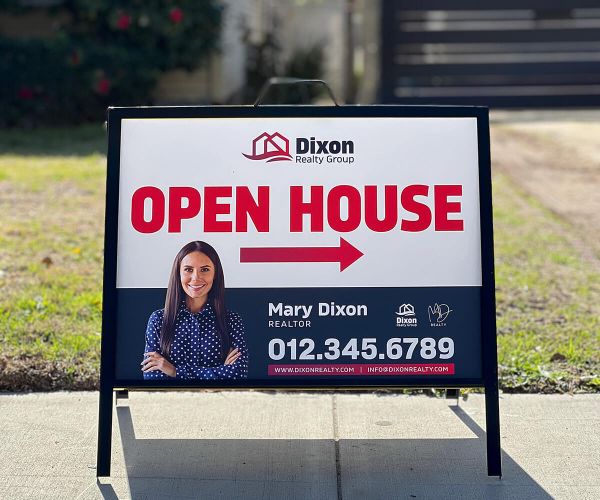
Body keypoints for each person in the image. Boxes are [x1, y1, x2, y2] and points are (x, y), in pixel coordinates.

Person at [141, 241, 248, 380]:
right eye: (188, 269)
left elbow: (237, 374)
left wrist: (174, 371)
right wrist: (219, 373)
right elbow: (152, 377)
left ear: (215, 273)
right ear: (178, 273)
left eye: (204, 269)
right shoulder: (159, 320)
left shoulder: (232, 321)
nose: (196, 278)